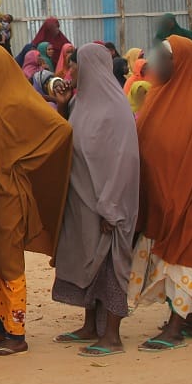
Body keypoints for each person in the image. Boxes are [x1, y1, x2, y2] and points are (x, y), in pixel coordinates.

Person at [0, 44, 72, 357]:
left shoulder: (17, 100)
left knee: (9, 260)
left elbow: (60, 130)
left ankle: (17, 334)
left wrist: (21, 163)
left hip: (8, 196)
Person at [50, 44, 139, 357]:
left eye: (74, 65)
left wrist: (111, 208)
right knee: (88, 261)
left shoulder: (116, 110)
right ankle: (90, 326)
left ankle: (112, 336)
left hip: (108, 205)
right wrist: (63, 108)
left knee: (111, 265)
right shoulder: (80, 103)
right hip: (83, 203)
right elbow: (69, 142)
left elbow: (125, 160)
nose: (70, 71)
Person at [128, 36, 192, 350]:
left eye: (164, 58)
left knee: (182, 256)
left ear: (181, 62)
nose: (157, 64)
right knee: (167, 256)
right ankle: (186, 319)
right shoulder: (157, 95)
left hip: (186, 197)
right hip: (160, 196)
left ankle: (176, 327)